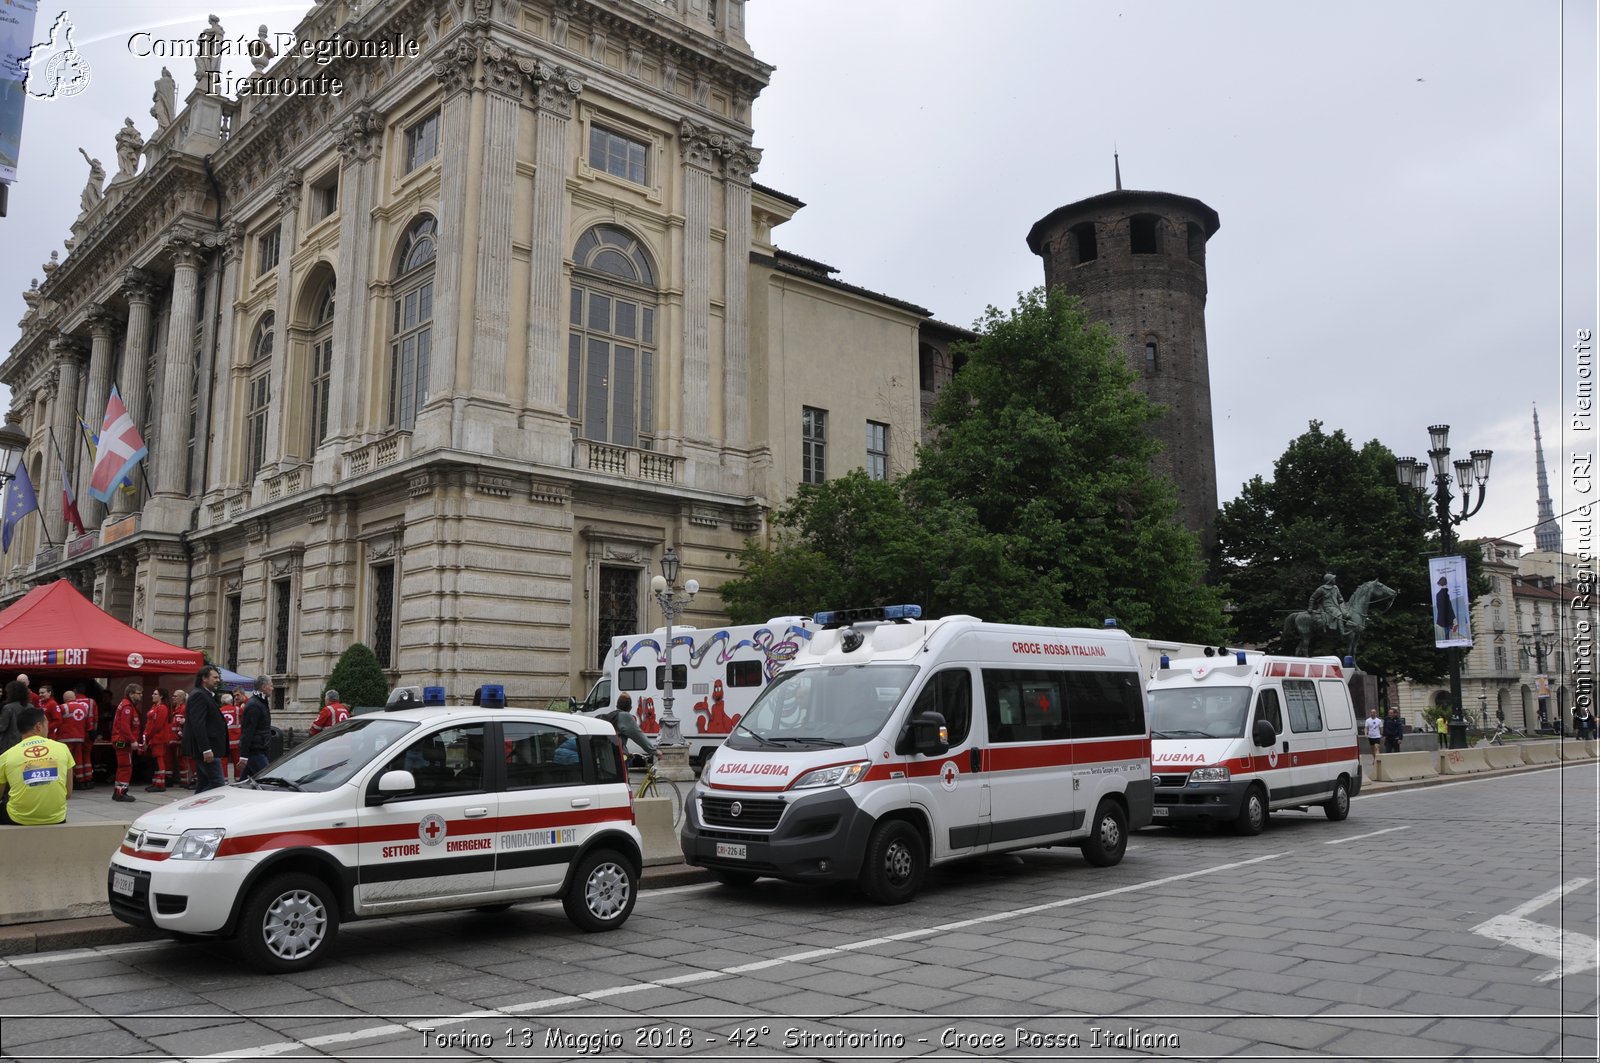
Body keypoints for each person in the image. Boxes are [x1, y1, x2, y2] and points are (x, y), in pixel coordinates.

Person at [0, 707, 74, 825]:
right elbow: (68, 793)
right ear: (39, 727)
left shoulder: (7, 756)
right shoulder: (62, 748)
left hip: (18, 818)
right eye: (47, 725)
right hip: (56, 817)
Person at [183, 666, 228, 793]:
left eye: (218, 677)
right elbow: (198, 724)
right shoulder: (199, 695)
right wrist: (206, 749)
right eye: (215, 677)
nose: (218, 680)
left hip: (209, 749)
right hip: (208, 750)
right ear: (204, 678)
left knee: (204, 785)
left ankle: (194, 810)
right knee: (217, 785)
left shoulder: (205, 694)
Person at [109, 683, 143, 802]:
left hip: (121, 741)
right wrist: (133, 740)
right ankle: (121, 792)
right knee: (126, 767)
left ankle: (118, 791)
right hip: (123, 741)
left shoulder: (127, 705)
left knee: (122, 766)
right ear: (131, 694)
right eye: (138, 693)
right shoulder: (127, 707)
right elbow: (125, 727)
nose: (141, 696)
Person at [601, 692, 656, 761]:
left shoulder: (611, 716)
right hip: (616, 759)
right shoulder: (625, 717)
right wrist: (655, 751)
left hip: (606, 757)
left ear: (617, 706)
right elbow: (639, 737)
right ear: (630, 708)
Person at [57, 688, 93, 789]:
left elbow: (57, 721)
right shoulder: (84, 708)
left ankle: (68, 781)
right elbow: (88, 724)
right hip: (80, 738)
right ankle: (81, 780)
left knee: (66, 760)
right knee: (78, 759)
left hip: (65, 738)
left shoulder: (62, 707)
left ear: (65, 698)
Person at [238, 676, 274, 779]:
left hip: (259, 749)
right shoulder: (254, 705)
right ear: (264, 687)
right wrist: (244, 756)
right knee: (268, 778)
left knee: (243, 783)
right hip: (255, 751)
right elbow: (247, 732)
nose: (273, 688)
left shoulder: (261, 702)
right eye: (271, 685)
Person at [143, 689, 172, 792]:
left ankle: (160, 784)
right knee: (155, 761)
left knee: (159, 760)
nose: (152, 695)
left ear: (161, 697)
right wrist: (146, 736)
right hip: (153, 738)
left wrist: (148, 736)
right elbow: (149, 723)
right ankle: (156, 782)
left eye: (155, 694)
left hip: (159, 738)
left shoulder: (163, 708)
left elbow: (157, 725)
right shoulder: (155, 707)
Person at [169, 689, 192, 788]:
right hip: (174, 739)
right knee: (178, 760)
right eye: (173, 696)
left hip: (180, 739)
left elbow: (188, 723)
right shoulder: (175, 709)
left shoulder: (184, 708)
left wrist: (181, 735)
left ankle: (185, 781)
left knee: (182, 760)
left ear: (182, 698)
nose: (173, 698)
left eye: (175, 696)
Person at [219, 692, 242, 781]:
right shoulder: (237, 710)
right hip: (236, 741)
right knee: (237, 761)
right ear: (231, 701)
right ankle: (238, 779)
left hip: (224, 742)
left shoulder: (219, 710)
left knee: (223, 762)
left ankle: (224, 780)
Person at [0, 679, 26, 752]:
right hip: (26, 743)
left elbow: (2, 727)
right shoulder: (30, 706)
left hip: (9, 744)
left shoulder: (8, 707)